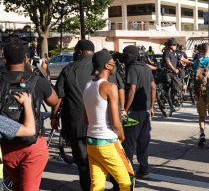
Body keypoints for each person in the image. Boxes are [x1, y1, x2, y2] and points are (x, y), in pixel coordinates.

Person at [52, 40, 124, 191]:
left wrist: (53, 116)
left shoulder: (69, 69)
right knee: (115, 165)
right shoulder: (108, 67)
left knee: (85, 165)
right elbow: (120, 88)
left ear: (78, 52)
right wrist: (122, 111)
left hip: (78, 126)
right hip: (107, 128)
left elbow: (59, 96)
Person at [1, 40, 58, 191]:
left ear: (4, 59)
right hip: (32, 146)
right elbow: (54, 100)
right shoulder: (36, 81)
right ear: (26, 58)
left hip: (7, 146)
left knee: (17, 186)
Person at [83, 50, 134, 190]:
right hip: (108, 142)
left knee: (97, 185)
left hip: (92, 142)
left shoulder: (87, 86)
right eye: (112, 62)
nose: (114, 64)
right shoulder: (110, 87)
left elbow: (86, 119)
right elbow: (115, 122)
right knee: (127, 180)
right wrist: (121, 135)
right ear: (107, 65)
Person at [122, 45, 156, 180]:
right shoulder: (146, 68)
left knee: (128, 143)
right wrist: (152, 106)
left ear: (130, 56)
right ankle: (144, 169)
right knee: (143, 142)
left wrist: (125, 108)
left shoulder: (132, 68)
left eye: (125, 55)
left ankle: (128, 173)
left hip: (134, 111)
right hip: (146, 111)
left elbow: (132, 89)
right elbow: (153, 88)